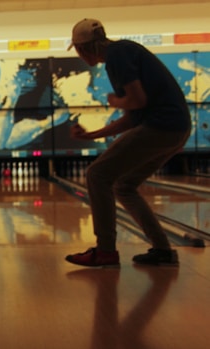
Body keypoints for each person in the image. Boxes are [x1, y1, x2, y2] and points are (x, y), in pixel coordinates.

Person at [64, 18, 191, 267]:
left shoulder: (117, 56)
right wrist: (90, 135)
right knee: (123, 185)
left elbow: (136, 101)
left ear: (82, 49)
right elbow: (132, 118)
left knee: (97, 175)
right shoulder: (122, 53)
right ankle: (162, 249)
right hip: (176, 128)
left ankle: (106, 251)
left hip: (161, 126)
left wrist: (115, 100)